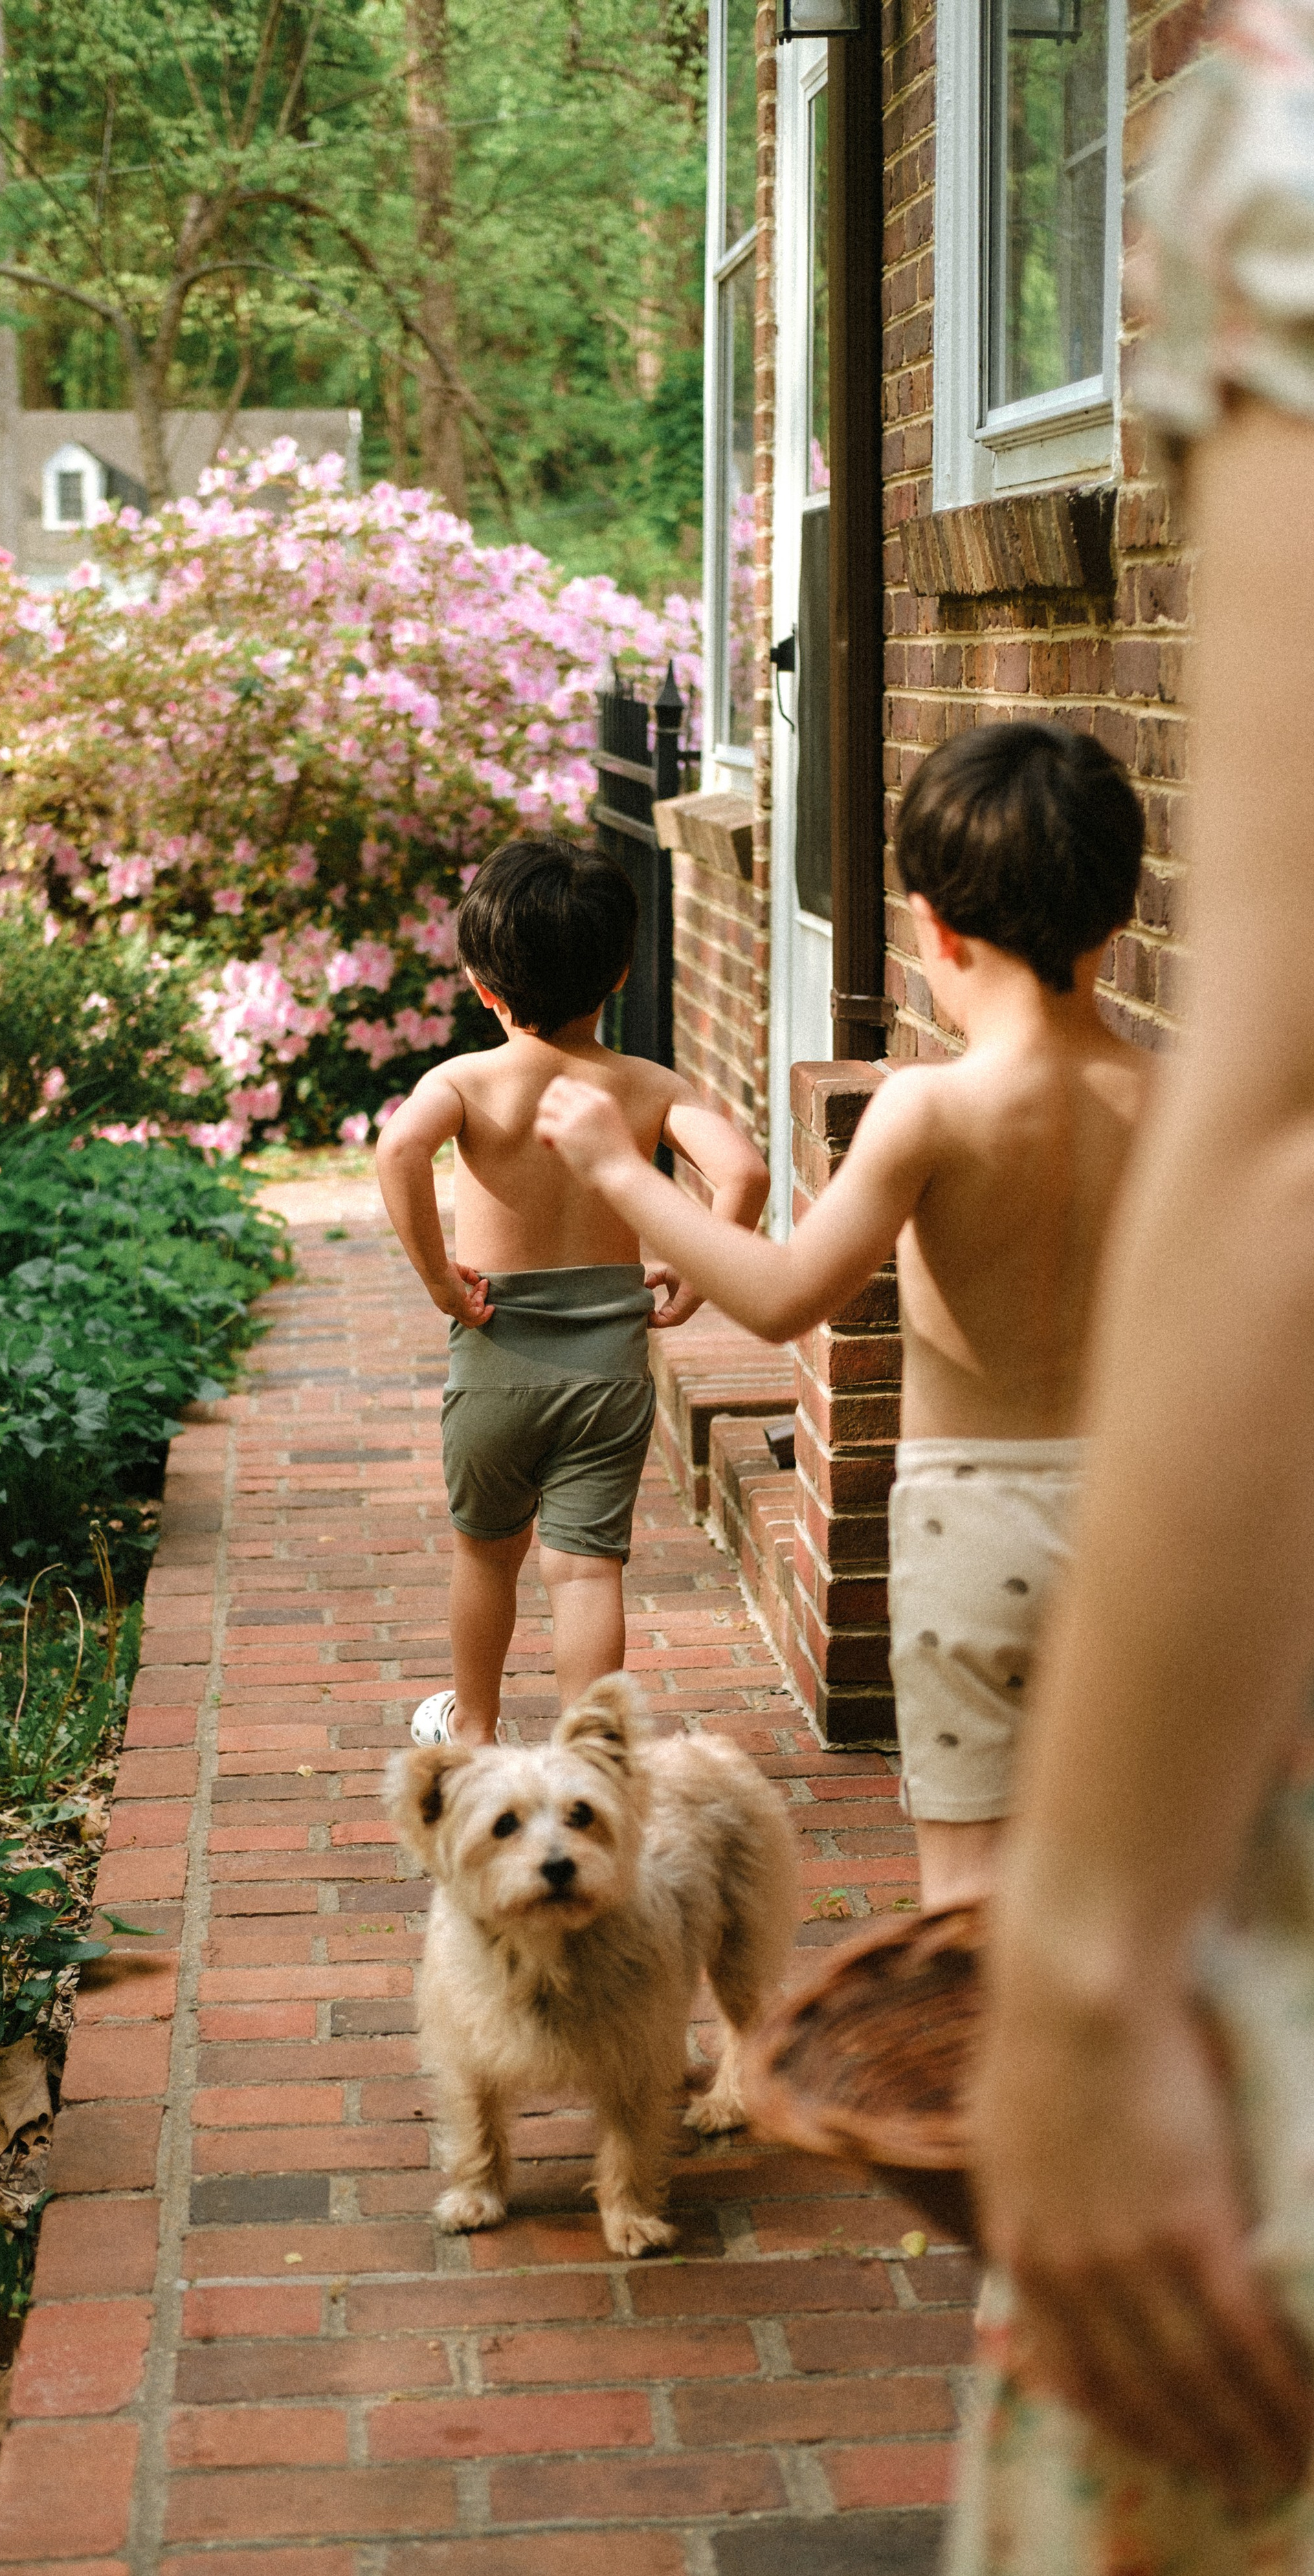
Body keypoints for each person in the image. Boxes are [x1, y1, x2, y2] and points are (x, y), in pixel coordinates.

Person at [945, 4, 1314, 2576]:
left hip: (1123, 1610)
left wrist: (1085, 1958)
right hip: (1092, 1524)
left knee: (959, 1902)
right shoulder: (1132, 1094)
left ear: (934, 923)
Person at [535, 721, 1150, 1911]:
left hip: (972, 1530)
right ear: (1121, 915)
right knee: (1130, 1872)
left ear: (931, 927)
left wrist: (622, 1176)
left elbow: (779, 1298)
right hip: (1143, 1512)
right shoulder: (1175, 1100)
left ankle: (963, 2088)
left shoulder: (931, 1110)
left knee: (967, 1889)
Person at [376, 835, 769, 1748]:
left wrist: (439, 1276)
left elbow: (398, 1150)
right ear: (622, 973)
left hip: (496, 1349)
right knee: (587, 1569)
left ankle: (473, 1727)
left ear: (483, 984)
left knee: (487, 1552)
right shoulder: (642, 1085)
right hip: (609, 1368)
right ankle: (590, 1754)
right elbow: (742, 1173)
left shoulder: (467, 1082)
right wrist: (701, 1267)